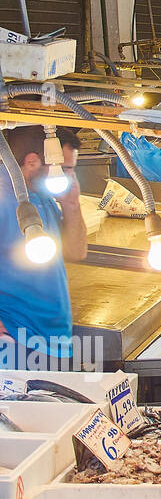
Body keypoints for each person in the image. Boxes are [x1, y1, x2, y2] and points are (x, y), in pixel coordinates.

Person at [0, 126, 86, 369]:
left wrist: (72, 205)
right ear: (32, 161)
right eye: (66, 168)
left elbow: (76, 252)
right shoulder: (3, 197)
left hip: (51, 338)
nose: (70, 176)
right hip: (14, 341)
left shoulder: (40, 195)